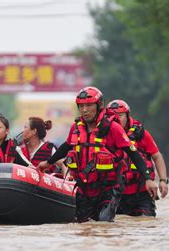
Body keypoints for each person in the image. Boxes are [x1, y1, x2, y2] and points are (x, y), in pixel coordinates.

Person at [37, 86, 158, 223]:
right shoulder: (76, 128)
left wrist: (148, 178)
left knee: (104, 223)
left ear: (99, 105)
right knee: (82, 225)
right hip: (85, 189)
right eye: (81, 106)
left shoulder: (113, 128)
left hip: (108, 188)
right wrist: (48, 163)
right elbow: (66, 146)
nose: (85, 110)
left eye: (89, 105)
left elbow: (133, 153)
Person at [106, 100, 168, 217]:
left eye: (120, 116)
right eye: (112, 117)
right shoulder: (105, 135)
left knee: (146, 225)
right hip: (117, 193)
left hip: (142, 193)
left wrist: (163, 180)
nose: (116, 120)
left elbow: (157, 156)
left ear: (128, 115)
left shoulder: (141, 134)